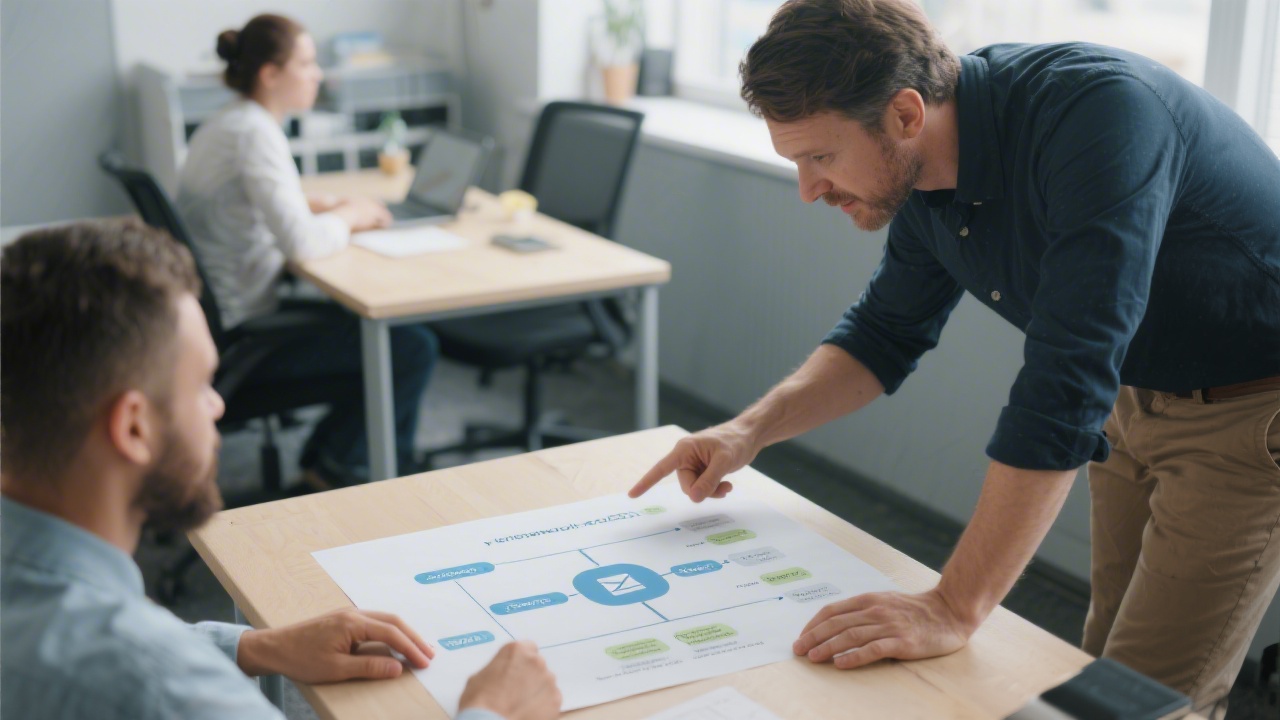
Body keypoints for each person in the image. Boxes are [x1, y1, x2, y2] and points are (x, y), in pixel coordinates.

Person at [628, 1, 1280, 716]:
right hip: (1135, 392)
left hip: (1250, 411)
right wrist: (745, 432)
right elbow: (882, 334)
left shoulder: (1099, 119)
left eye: (821, 157)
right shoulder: (923, 170)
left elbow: (1065, 379)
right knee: (1097, 666)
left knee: (1151, 698)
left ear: (906, 114)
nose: (809, 190)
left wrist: (954, 604)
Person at [0, 219, 562, 720]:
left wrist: (255, 646)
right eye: (201, 387)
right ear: (134, 428)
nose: (218, 406)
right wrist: (493, 712)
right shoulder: (165, 687)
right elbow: (139, 672)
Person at [177, 13, 436, 486]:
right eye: (307, 63)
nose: (318, 74)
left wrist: (321, 203)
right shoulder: (255, 133)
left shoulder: (230, 122)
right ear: (270, 74)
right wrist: (351, 215)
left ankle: (331, 458)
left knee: (376, 330)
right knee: (410, 345)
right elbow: (302, 242)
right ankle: (341, 467)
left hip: (228, 319)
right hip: (248, 338)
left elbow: (251, 202)